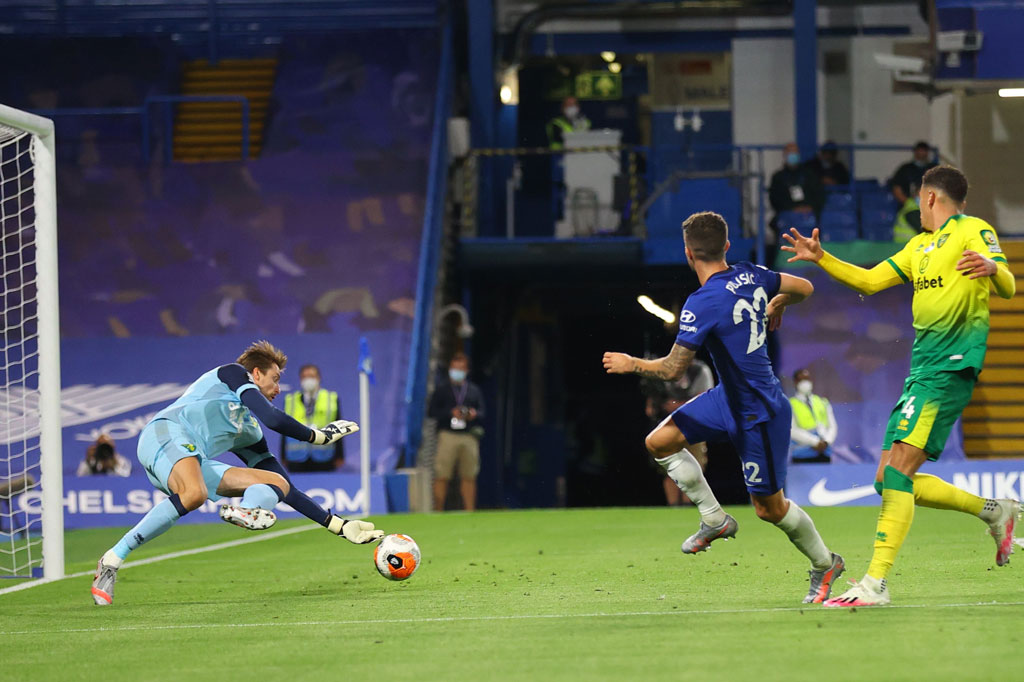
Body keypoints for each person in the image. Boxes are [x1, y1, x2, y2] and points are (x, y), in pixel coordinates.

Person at [782, 165, 1019, 607]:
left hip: (951, 365)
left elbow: (1006, 285)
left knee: (896, 474)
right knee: (884, 480)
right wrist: (823, 258)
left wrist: (991, 266)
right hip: (921, 369)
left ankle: (875, 584)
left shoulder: (973, 229)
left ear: (929, 198)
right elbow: (871, 281)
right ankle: (994, 510)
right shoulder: (917, 246)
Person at [603, 211, 845, 604]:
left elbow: (672, 369)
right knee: (660, 441)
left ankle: (825, 563)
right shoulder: (752, 273)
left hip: (759, 409)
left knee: (770, 509)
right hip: (727, 397)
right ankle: (714, 518)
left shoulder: (702, 302)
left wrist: (633, 363)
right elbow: (805, 286)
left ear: (687, 253)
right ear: (727, 246)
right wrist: (780, 300)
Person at [90, 340, 382, 606]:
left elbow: (287, 489)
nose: (278, 389)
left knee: (274, 482)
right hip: (165, 433)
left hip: (191, 456)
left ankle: (246, 511)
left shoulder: (248, 431)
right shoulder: (231, 374)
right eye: (275, 379)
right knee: (195, 493)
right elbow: (271, 417)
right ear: (255, 375)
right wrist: (316, 436)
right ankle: (113, 559)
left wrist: (337, 525)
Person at [640, 360, 715, 505]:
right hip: (667, 425)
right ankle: (674, 507)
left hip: (692, 425)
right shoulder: (664, 367)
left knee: (694, 469)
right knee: (669, 468)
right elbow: (650, 407)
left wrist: (677, 405)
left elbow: (705, 397)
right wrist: (655, 404)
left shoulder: (700, 370)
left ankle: (688, 505)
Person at [429, 352, 485, 511]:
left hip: (468, 435)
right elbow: (432, 411)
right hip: (447, 435)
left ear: (466, 370)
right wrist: (450, 413)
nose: (457, 371)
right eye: (454, 368)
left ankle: (470, 510)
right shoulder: (442, 389)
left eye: (461, 368)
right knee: (442, 474)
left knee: (469, 475)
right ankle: (437, 510)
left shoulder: (473, 390)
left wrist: (473, 414)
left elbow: (482, 412)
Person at [281, 364, 345, 472]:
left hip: (324, 456)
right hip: (296, 458)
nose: (308, 380)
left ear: (318, 378)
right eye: (304, 377)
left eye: (311, 376)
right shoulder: (290, 400)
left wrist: (340, 455)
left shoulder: (331, 399)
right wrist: (283, 455)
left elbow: (339, 428)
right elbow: (284, 429)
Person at [789, 368, 837, 463]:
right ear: (795, 382)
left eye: (807, 379)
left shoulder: (822, 402)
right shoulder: (790, 404)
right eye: (801, 379)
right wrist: (814, 442)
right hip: (802, 455)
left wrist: (826, 441)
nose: (805, 383)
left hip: (824, 453)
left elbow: (833, 426)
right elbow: (792, 430)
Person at [769, 142, 825, 222]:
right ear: (784, 155)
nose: (793, 156)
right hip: (787, 216)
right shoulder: (778, 177)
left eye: (795, 153)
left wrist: (809, 207)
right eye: (790, 153)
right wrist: (792, 208)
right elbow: (775, 199)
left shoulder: (809, 175)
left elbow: (819, 195)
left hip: (809, 215)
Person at [889, 141, 937, 205]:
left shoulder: (934, 169)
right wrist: (908, 203)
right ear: (915, 152)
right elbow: (896, 188)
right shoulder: (905, 168)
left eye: (924, 151)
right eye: (919, 150)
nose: (921, 153)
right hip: (909, 206)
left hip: (931, 206)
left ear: (927, 152)